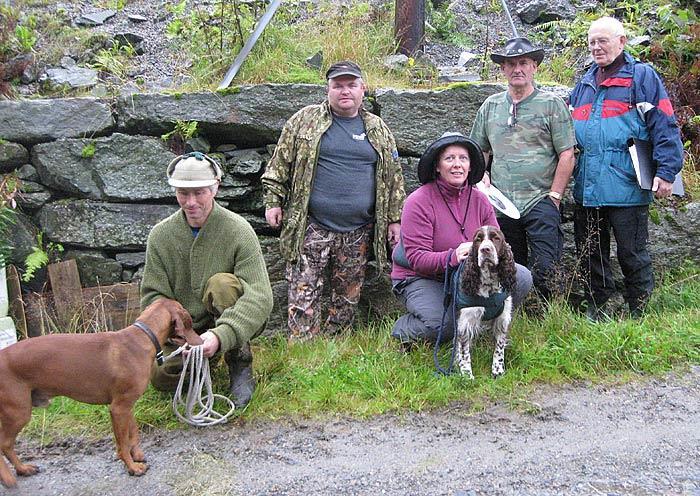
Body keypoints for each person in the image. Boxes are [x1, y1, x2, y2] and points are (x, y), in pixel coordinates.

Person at [262, 60, 405, 341]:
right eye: (338, 86)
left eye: (351, 85)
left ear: (363, 89)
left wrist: (395, 219)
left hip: (358, 230)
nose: (345, 91)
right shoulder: (304, 121)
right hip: (311, 225)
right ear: (327, 89)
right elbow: (279, 164)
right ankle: (302, 350)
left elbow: (394, 178)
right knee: (303, 291)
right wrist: (273, 201)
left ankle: (335, 349)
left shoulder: (377, 129)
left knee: (347, 296)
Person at [569, 17, 684, 320]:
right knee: (591, 254)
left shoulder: (642, 78)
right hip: (587, 187)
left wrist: (667, 172)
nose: (596, 47)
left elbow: (665, 125)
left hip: (628, 187)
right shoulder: (583, 83)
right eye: (592, 41)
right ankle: (597, 306)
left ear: (621, 41)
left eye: (603, 40)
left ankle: (639, 310)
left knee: (631, 253)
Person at [141, 152, 273, 408]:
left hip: (226, 320)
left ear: (215, 188)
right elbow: (152, 297)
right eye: (183, 193)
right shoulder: (160, 236)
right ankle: (203, 364)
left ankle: (239, 361)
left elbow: (260, 295)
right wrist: (181, 333)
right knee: (159, 375)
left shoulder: (238, 230)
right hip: (182, 333)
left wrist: (220, 336)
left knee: (222, 286)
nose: (191, 202)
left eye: (199, 192)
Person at [390, 132, 533, 345]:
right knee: (444, 328)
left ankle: (483, 326)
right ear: (437, 166)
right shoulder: (418, 201)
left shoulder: (480, 200)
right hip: (423, 277)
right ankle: (404, 329)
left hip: (467, 274)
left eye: (463, 159)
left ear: (470, 166)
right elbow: (418, 259)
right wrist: (454, 255)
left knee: (521, 276)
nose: (457, 165)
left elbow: (497, 244)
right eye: (450, 158)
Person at [470, 37, 576, 299]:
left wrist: (555, 197)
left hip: (541, 199)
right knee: (508, 266)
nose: (517, 69)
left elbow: (567, 153)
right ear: (503, 69)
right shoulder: (491, 106)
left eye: (524, 63)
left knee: (545, 265)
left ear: (534, 67)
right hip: (502, 202)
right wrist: (480, 178)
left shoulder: (551, 105)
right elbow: (478, 151)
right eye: (511, 64)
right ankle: (512, 315)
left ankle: (547, 316)